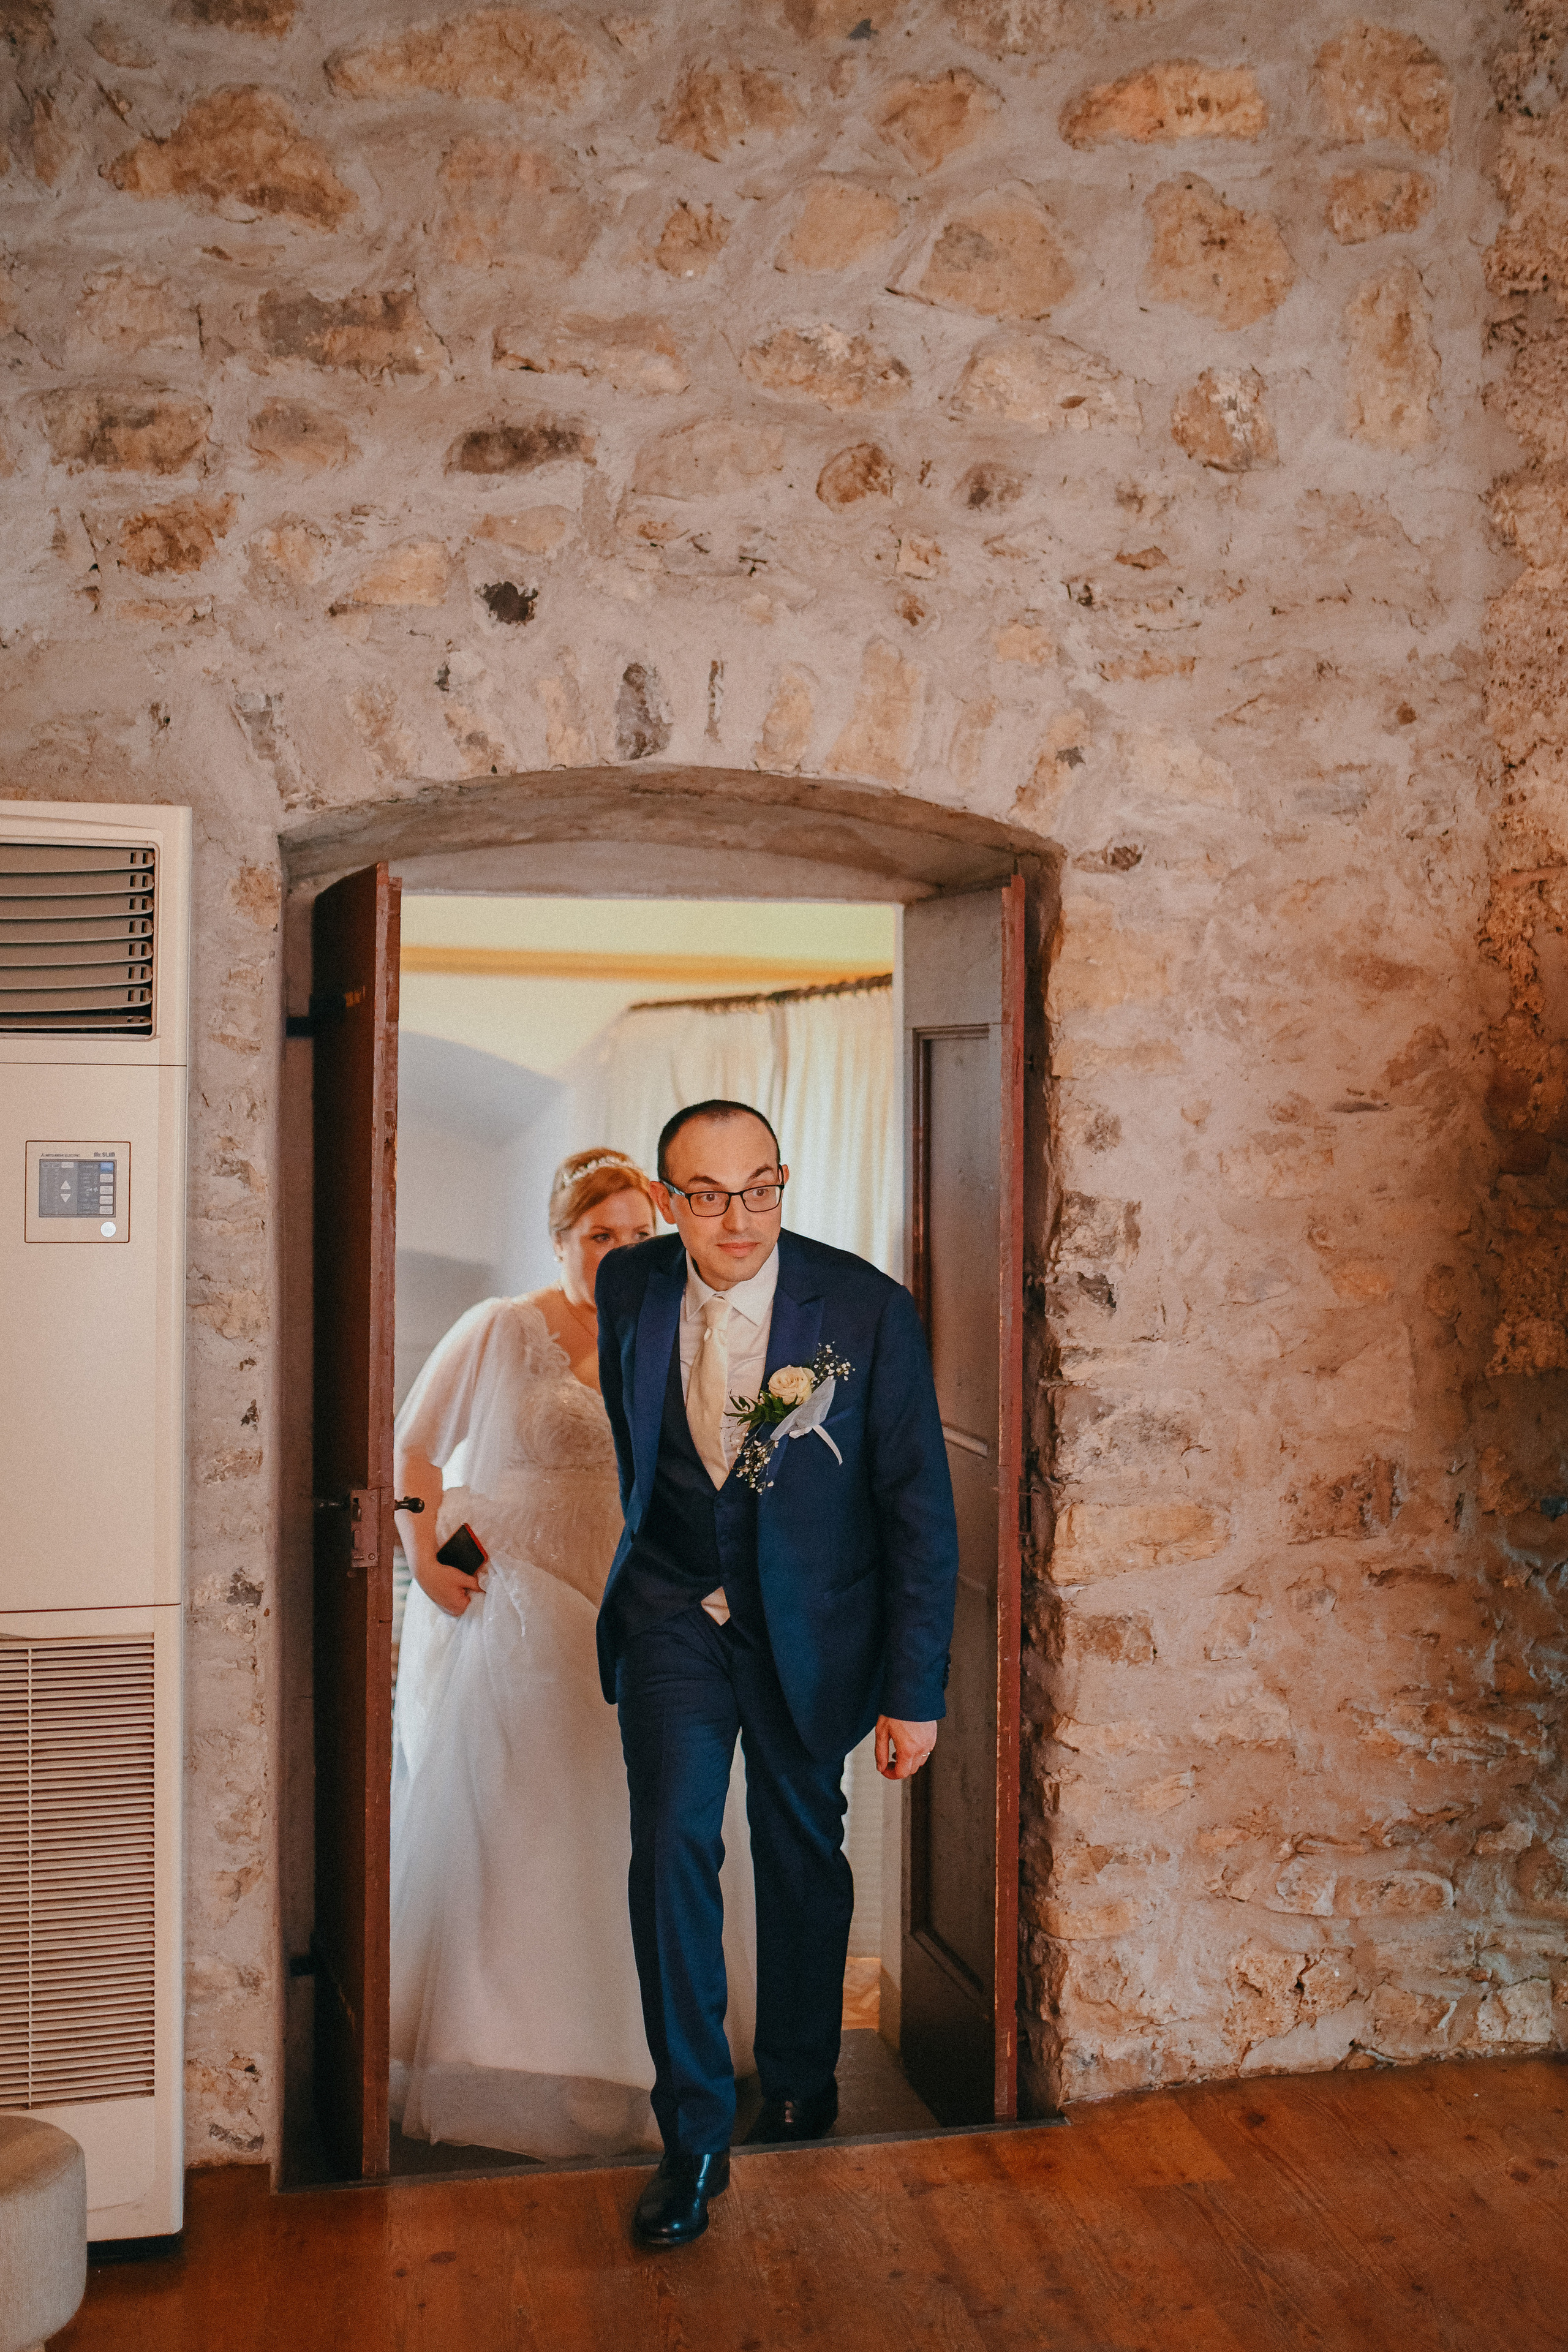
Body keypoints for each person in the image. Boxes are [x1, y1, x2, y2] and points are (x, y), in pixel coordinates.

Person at [595, 1099, 960, 2246]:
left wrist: (916, 1690)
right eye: (707, 1195)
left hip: (811, 1627)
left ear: (783, 1180)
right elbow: (640, 1450)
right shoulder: (630, 1289)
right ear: (666, 1201)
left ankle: (802, 2070)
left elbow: (918, 1511)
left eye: (761, 1187)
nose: (739, 1216)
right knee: (671, 1851)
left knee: (801, 1845)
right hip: (672, 1616)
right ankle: (694, 2140)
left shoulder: (863, 1309)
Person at [389, 1148, 758, 2160]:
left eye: (641, 1236)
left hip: (636, 1601)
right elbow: (415, 1451)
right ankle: (516, 2050)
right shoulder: (501, 1330)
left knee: (643, 1820)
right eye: (603, 1236)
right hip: (521, 1592)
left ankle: (646, 2051)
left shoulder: (680, 1332)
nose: (624, 1252)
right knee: (539, 1823)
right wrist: (424, 1554)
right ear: (561, 1241)